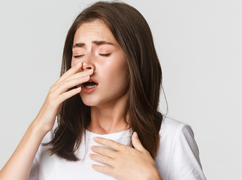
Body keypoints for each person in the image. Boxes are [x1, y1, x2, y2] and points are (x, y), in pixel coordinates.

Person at [0, 1, 206, 180]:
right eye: (78, 54)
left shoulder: (171, 137)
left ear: (134, 61)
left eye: (104, 52)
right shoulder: (51, 138)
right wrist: (38, 126)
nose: (86, 65)